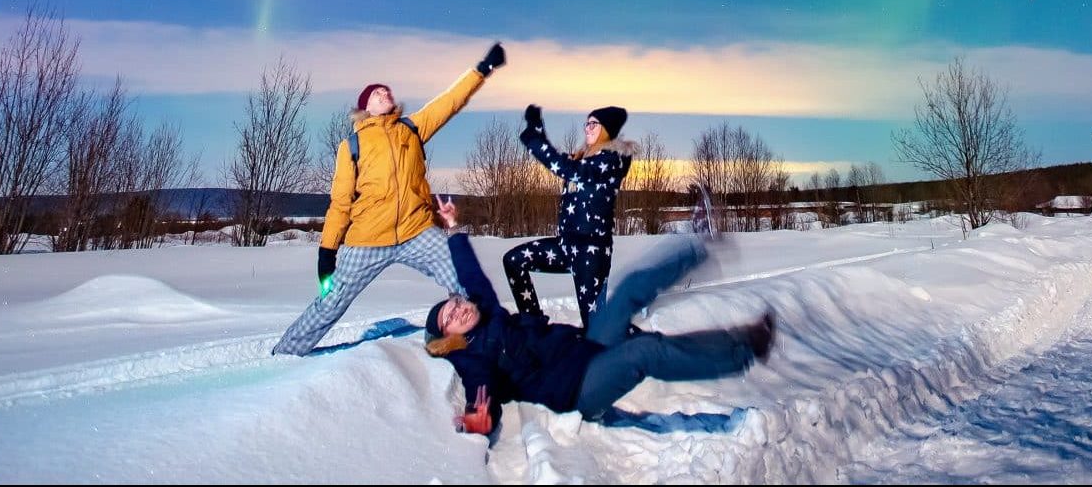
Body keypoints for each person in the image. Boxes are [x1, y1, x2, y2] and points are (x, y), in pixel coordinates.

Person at [425, 197, 773, 434]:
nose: (458, 309)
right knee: (645, 351)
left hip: (584, 350)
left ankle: (700, 242)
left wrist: (453, 228)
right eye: (450, 318)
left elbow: (471, 275)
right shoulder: (473, 355)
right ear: (448, 338)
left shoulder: (488, 313)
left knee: (626, 292)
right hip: (576, 393)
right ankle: (746, 347)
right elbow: (479, 386)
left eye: (454, 303)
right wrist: (478, 417)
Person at [270, 42, 507, 356]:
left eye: (387, 90)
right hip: (367, 239)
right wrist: (327, 252)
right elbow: (340, 203)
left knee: (462, 275)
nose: (385, 93)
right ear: (366, 107)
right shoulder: (351, 145)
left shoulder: (411, 129)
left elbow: (449, 102)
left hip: (416, 231)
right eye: (377, 93)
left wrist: (482, 69)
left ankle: (485, 341)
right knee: (330, 303)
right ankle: (285, 353)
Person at [504, 104, 634, 324]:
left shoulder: (612, 161)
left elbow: (563, 166)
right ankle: (534, 326)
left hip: (591, 253)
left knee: (596, 328)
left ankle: (639, 351)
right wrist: (537, 129)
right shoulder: (583, 160)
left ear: (607, 129)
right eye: (587, 123)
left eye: (594, 124)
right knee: (514, 261)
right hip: (565, 247)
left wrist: (533, 139)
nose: (587, 128)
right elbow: (563, 163)